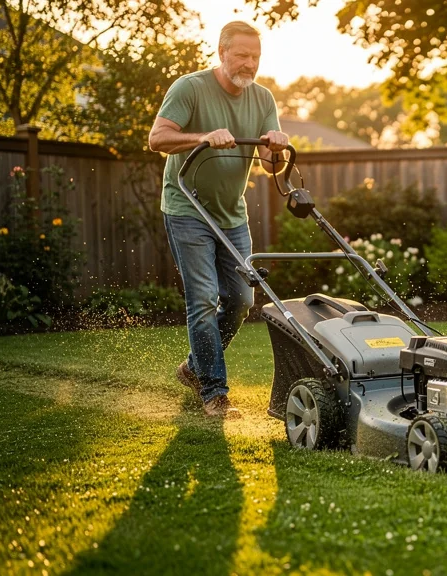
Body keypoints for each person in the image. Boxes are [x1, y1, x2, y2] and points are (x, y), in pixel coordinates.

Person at [148, 21, 288, 419]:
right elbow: (157, 139)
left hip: (231, 214)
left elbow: (270, 166)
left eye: (255, 56)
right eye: (242, 54)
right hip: (187, 209)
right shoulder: (189, 88)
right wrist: (202, 137)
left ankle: (193, 368)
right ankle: (214, 392)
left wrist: (276, 145)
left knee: (242, 300)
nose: (249, 63)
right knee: (204, 300)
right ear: (222, 52)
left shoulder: (262, 99)